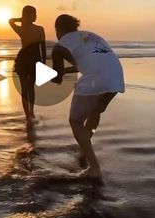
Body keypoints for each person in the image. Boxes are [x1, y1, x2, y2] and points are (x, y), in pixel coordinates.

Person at [52, 14, 125, 181]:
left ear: (58, 29)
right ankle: (86, 147)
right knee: (95, 111)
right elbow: (87, 64)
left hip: (96, 80)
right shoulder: (90, 36)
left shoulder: (60, 45)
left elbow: (57, 79)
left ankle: (94, 167)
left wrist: (42, 74)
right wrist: (63, 72)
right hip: (116, 78)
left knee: (75, 121)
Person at [9, 5, 46, 122]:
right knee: (28, 87)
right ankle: (29, 113)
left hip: (30, 59)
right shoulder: (35, 29)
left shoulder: (29, 29)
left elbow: (11, 21)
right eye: (34, 14)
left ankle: (30, 113)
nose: (36, 16)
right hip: (29, 59)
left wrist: (22, 19)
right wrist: (23, 19)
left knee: (27, 87)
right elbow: (43, 48)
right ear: (29, 15)